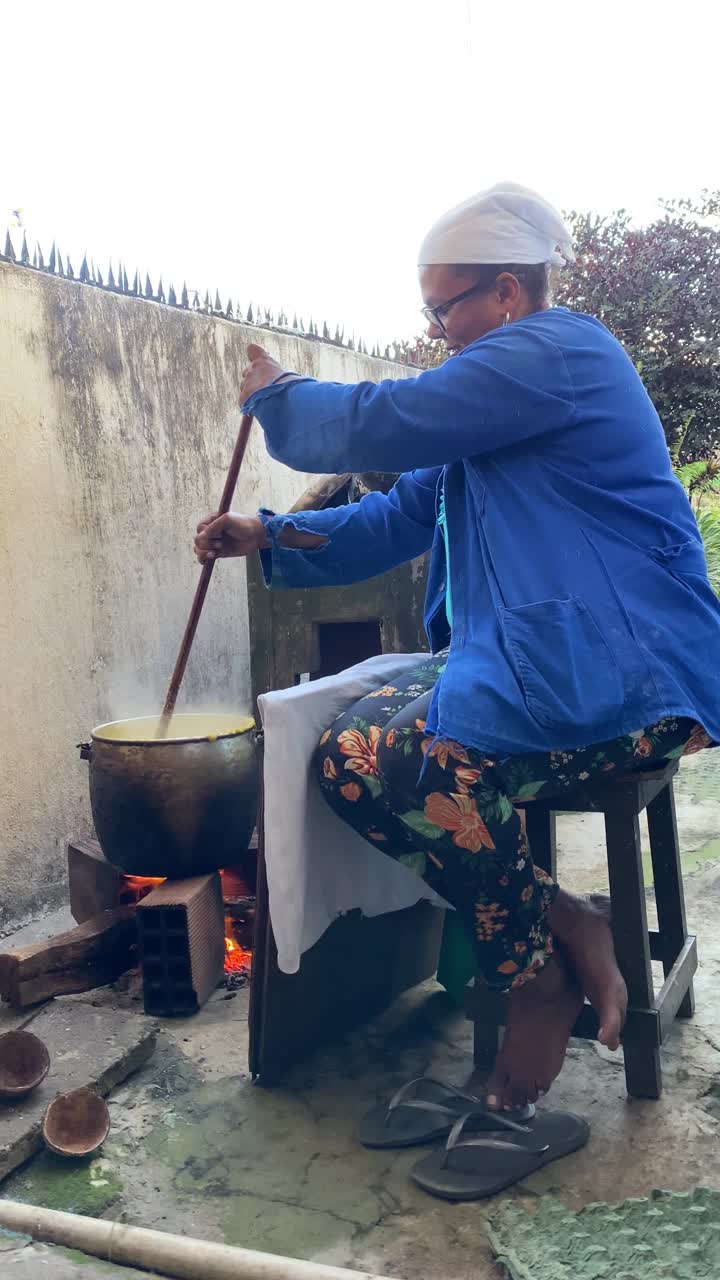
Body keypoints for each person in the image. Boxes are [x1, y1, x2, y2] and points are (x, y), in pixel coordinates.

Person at [194, 181, 720, 1112]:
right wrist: (267, 536)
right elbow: (400, 513)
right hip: (530, 659)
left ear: (510, 293)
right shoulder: (490, 405)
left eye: (445, 306)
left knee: (426, 766)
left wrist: (280, 397)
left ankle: (534, 983)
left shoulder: (561, 352)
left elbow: (381, 420)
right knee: (347, 758)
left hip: (630, 671)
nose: (436, 328)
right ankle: (564, 916)